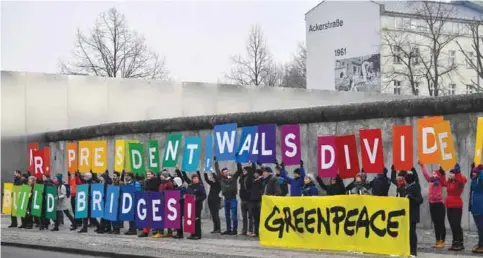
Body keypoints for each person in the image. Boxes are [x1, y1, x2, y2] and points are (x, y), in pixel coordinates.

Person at [418, 161, 446, 248]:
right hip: (432, 204)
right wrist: (422, 165)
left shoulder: (440, 181)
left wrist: (442, 169)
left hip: (439, 204)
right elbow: (426, 174)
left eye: (435, 173)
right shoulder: (430, 180)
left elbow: (443, 176)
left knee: (441, 222)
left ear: (438, 175)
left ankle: (442, 240)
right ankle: (437, 241)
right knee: (435, 223)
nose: (433, 174)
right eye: (433, 173)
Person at [214, 156, 241, 235]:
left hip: (233, 198)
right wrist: (216, 161)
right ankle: (228, 229)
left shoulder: (234, 177)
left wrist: (238, 160)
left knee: (234, 215)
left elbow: (239, 171)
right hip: (226, 199)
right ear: (223, 174)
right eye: (224, 172)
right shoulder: (221, 178)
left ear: (228, 172)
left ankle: (234, 230)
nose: (226, 173)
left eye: (227, 171)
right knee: (227, 215)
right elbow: (217, 171)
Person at [445, 164, 467, 251]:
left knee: (456, 224)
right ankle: (454, 242)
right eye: (450, 173)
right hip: (449, 205)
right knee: (452, 224)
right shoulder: (449, 182)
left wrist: (458, 173)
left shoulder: (459, 182)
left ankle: (460, 243)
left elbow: (462, 181)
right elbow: (443, 182)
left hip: (456, 205)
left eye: (452, 173)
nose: (450, 175)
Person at [405, 169, 424, 257]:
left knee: (412, 232)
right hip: (406, 213)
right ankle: (407, 249)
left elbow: (420, 200)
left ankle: (413, 251)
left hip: (413, 214)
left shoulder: (416, 186)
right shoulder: (406, 187)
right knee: (407, 233)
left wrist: (411, 197)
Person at [138, 170, 161, 237]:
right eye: (147, 174)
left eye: (149, 174)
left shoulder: (156, 181)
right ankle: (145, 231)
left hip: (155, 200)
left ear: (153, 175)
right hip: (147, 199)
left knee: (155, 216)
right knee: (147, 216)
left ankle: (155, 230)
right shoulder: (146, 181)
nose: (148, 175)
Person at [154, 170, 175, 238]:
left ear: (165, 176)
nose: (160, 176)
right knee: (161, 217)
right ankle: (162, 231)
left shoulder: (169, 183)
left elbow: (170, 193)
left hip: (166, 202)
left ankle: (167, 232)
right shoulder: (162, 183)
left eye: (162, 175)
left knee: (166, 217)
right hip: (161, 201)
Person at [186, 172, 207, 240]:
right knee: (191, 220)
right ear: (192, 179)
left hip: (198, 205)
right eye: (194, 178)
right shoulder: (190, 186)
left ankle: (198, 235)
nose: (195, 179)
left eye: (196, 178)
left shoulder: (200, 186)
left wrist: (197, 198)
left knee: (197, 220)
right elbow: (187, 194)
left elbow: (204, 196)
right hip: (190, 205)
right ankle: (192, 234)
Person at [469, 163, 483, 253]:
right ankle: (480, 244)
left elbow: (482, 178)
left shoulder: (480, 181)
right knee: (479, 228)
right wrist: (472, 168)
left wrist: (481, 170)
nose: (473, 174)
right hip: (474, 208)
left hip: (480, 208)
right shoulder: (474, 181)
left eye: (474, 172)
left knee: (481, 227)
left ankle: (481, 245)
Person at [239, 163, 254, 236]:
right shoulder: (242, 177)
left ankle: (250, 230)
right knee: (244, 216)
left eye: (245, 170)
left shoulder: (250, 177)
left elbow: (252, 171)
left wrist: (250, 165)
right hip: (243, 199)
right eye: (243, 170)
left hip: (249, 200)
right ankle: (244, 230)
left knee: (250, 216)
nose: (243, 171)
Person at [249, 163, 263, 237]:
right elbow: (251, 172)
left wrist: (260, 178)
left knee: (260, 217)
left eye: (256, 173)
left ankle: (260, 231)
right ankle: (256, 231)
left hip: (259, 201)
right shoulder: (254, 180)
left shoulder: (261, 180)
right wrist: (252, 164)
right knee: (255, 217)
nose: (254, 174)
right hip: (253, 200)